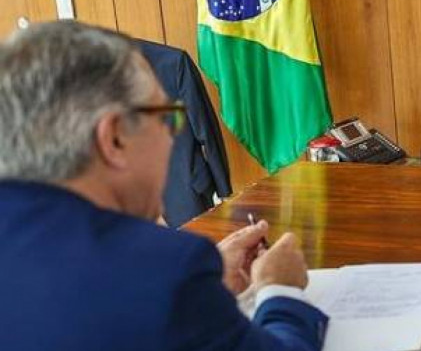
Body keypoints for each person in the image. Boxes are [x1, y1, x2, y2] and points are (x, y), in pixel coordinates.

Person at [0, 21, 327, 351]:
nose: (173, 136)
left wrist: (204, 292)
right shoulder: (165, 271)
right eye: (167, 117)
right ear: (114, 139)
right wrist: (279, 291)